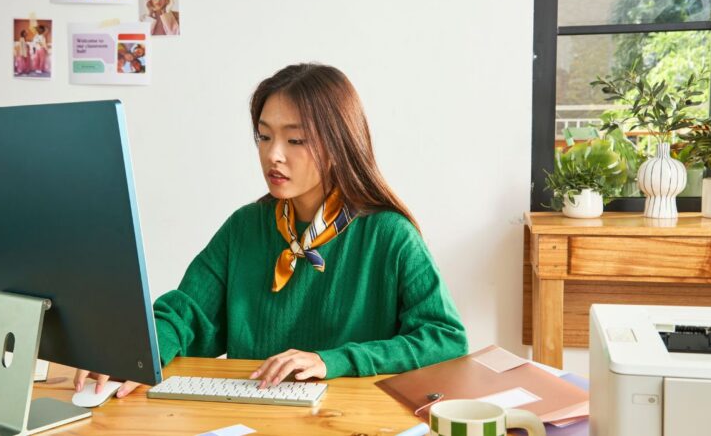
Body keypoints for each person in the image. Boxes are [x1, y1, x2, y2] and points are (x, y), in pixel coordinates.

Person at [75, 63, 468, 397]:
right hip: (255, 413)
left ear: (339, 144)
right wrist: (135, 351)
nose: (272, 155)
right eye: (264, 136)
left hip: (349, 420)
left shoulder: (389, 235)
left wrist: (331, 361)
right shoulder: (246, 227)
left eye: (295, 139)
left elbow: (445, 340)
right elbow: (186, 312)